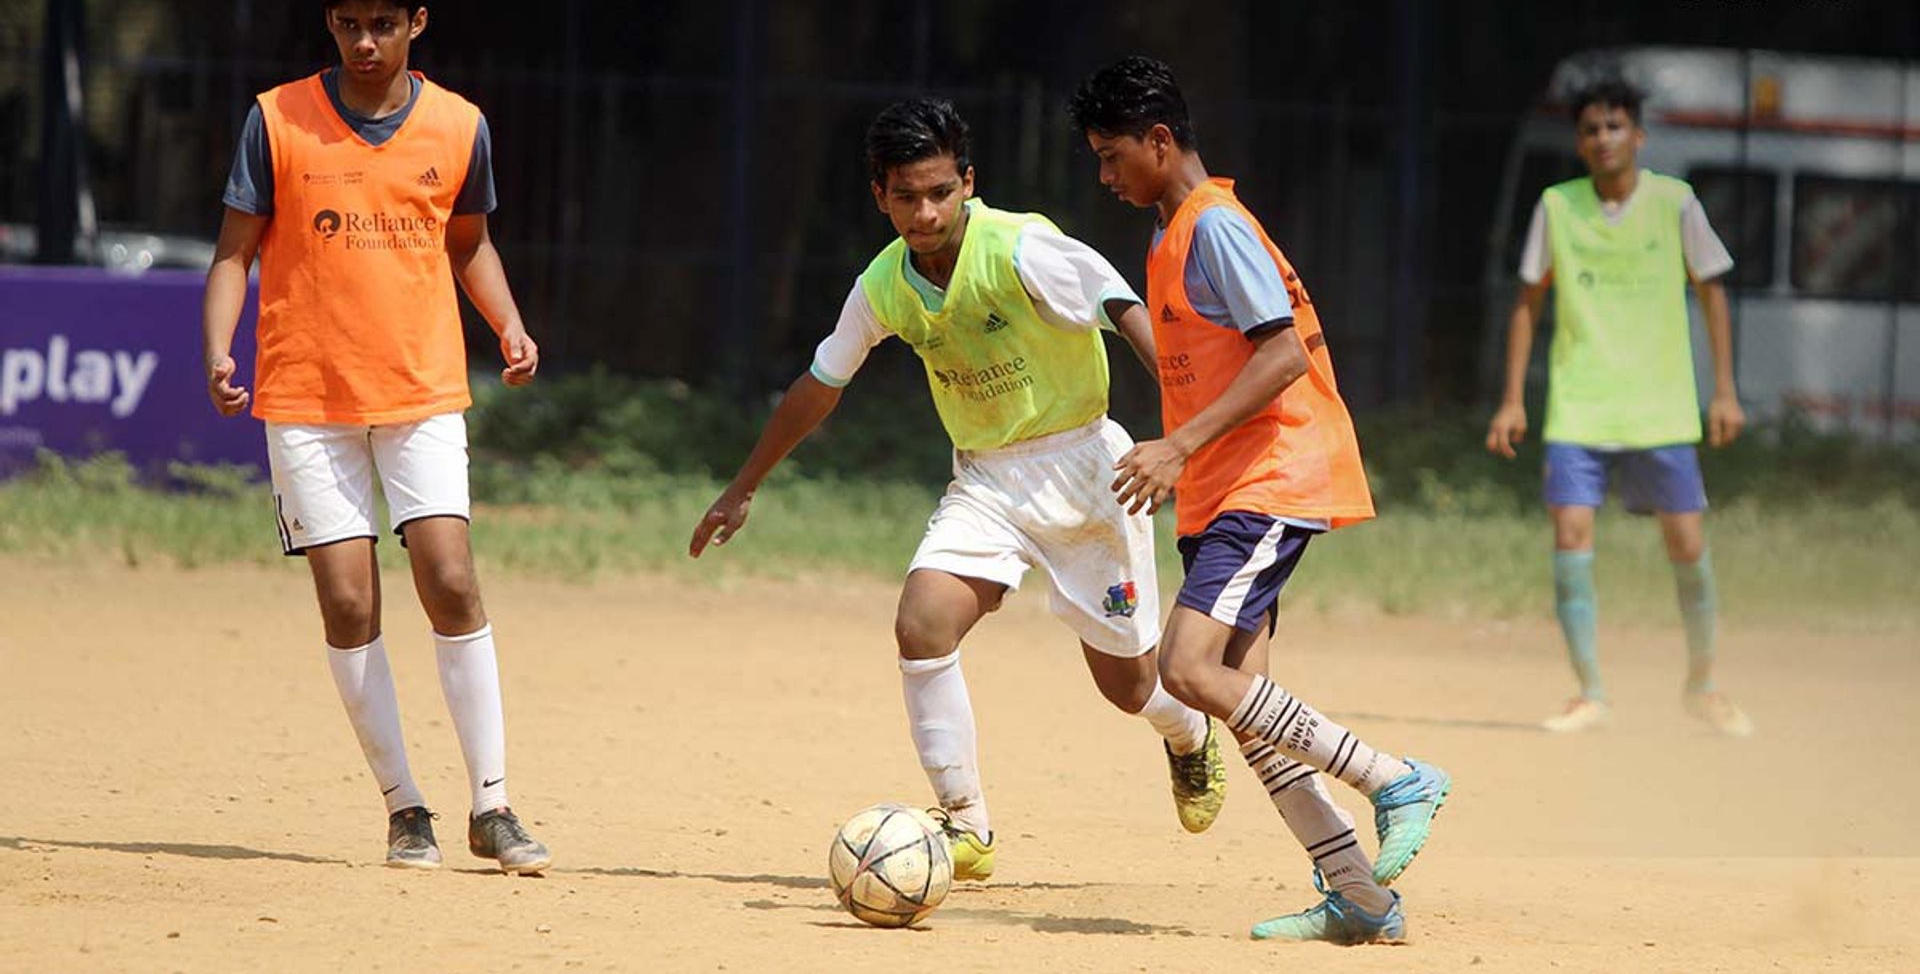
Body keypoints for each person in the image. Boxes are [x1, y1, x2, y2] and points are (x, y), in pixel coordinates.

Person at [688, 97, 1225, 881]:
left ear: (967, 183)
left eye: (941, 191)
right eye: (906, 196)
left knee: (1129, 685)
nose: (926, 211)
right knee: (922, 622)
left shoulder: (1022, 247)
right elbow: (822, 382)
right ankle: (967, 825)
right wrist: (743, 487)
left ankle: (1186, 735)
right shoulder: (883, 285)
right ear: (880, 196)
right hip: (985, 478)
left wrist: (1183, 440)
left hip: (1085, 472)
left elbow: (1124, 308)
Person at [1070, 56, 1451, 945]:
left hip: (1267, 474)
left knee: (1189, 672)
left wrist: (1179, 445)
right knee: (1247, 702)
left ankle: (1396, 778)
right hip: (1219, 490)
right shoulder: (1172, 234)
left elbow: (1284, 355)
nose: (1105, 174)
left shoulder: (1215, 229)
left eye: (1112, 154)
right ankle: (1359, 896)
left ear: (1160, 142)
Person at [201, 0, 550, 873]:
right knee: (350, 601)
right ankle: (406, 808)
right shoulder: (276, 120)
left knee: (450, 578)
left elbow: (469, 243)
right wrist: (217, 352)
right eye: (350, 26)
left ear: (416, 25)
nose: (366, 44)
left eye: (384, 27)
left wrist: (509, 327)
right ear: (330, 24)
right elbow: (234, 253)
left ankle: (494, 803)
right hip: (306, 397)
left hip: (421, 388)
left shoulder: (459, 125)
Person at [1486, 77, 1753, 738]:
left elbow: (1713, 293)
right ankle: (1589, 692)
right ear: (1578, 143)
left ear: (1638, 134)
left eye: (1614, 126)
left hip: (1660, 408)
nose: (1602, 139)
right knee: (1571, 537)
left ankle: (1704, 685)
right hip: (1580, 407)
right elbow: (1528, 301)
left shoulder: (1676, 203)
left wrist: (1724, 389)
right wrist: (1512, 399)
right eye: (1590, 129)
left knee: (1686, 543)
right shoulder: (1557, 207)